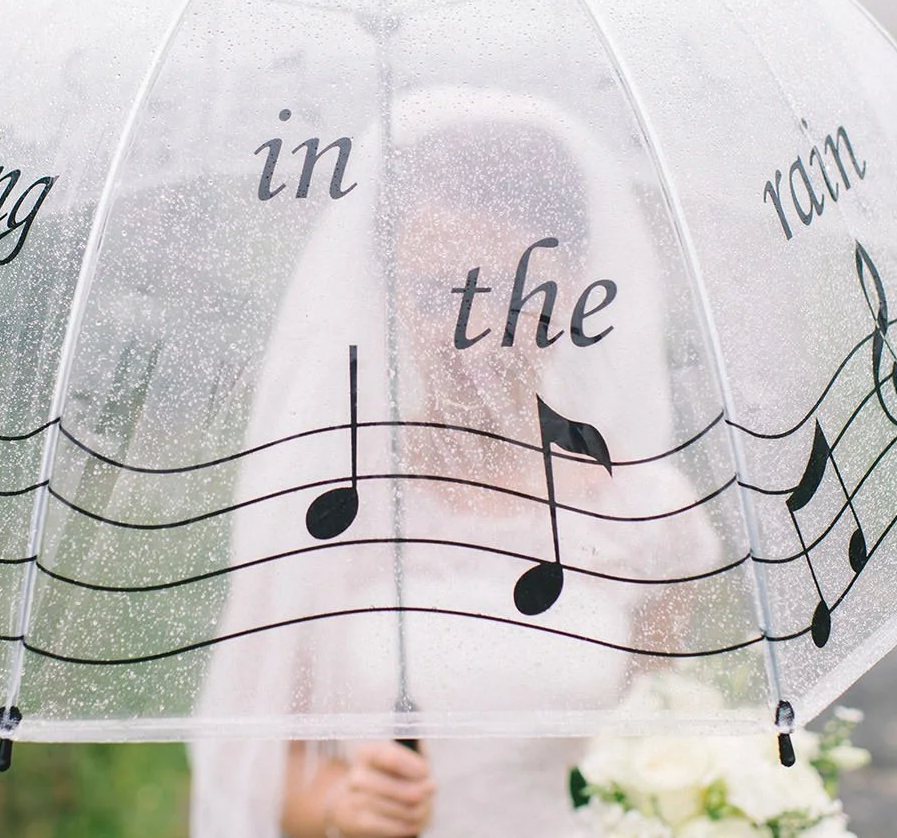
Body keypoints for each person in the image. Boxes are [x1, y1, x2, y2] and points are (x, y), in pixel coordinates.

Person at [188, 88, 722, 838]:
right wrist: (343, 803)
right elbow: (251, 755)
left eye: (504, 293)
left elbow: (654, 746)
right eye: (435, 292)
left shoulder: (647, 512)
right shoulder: (331, 503)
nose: (468, 331)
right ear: (388, 294)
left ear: (571, 287)